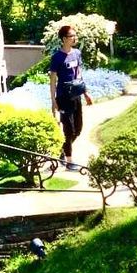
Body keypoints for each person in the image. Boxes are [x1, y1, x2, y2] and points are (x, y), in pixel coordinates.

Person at [49, 25, 92, 170]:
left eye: (75, 35)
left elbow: (79, 75)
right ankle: (69, 161)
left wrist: (86, 93)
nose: (74, 38)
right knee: (69, 130)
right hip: (63, 97)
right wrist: (53, 101)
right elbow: (53, 80)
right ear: (64, 39)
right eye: (71, 36)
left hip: (76, 95)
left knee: (78, 129)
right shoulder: (57, 57)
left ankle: (62, 149)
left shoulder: (77, 53)